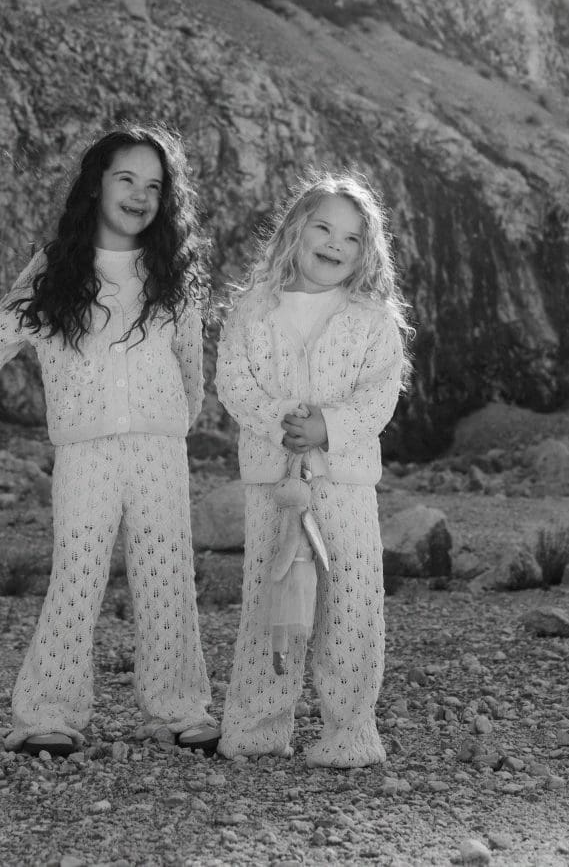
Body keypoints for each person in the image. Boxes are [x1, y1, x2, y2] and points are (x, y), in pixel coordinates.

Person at [0, 124, 219, 758]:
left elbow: (190, 369)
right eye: (126, 179)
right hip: (84, 453)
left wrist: (170, 424)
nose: (139, 195)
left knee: (167, 576)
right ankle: (48, 713)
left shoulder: (173, 274)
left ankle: (179, 709)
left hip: (159, 450)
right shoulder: (53, 270)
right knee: (77, 574)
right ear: (95, 185)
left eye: (154, 186)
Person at [214, 170, 413, 767]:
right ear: (295, 232)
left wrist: (329, 426)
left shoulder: (371, 318)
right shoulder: (254, 309)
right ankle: (257, 728)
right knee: (270, 596)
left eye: (352, 238)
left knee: (351, 601)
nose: (335, 244)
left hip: (344, 484)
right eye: (323, 229)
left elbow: (380, 395)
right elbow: (233, 381)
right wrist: (282, 421)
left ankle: (350, 733)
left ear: (366, 252)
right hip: (273, 484)